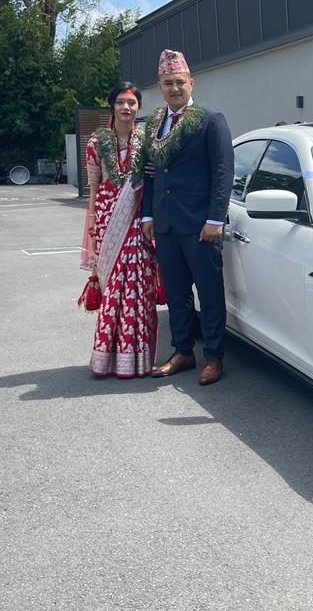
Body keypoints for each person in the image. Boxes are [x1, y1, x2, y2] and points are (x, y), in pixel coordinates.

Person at [142, 50, 235, 385]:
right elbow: (150, 172)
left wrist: (215, 219)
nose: (175, 88)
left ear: (191, 83)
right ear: (160, 86)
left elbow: (223, 171)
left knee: (209, 293)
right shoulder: (155, 123)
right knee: (176, 292)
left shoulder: (211, 119)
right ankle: (182, 350)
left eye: (180, 82)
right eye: (168, 83)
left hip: (200, 225)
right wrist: (147, 214)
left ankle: (213, 356)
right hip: (166, 223)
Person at [80, 82, 159, 378]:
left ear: (138, 107)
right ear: (112, 106)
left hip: (139, 220)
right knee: (113, 288)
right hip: (107, 219)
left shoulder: (148, 142)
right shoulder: (96, 142)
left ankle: (139, 360)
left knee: (139, 288)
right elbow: (94, 187)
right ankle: (107, 360)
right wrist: (94, 228)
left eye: (132, 103)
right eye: (120, 102)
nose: (126, 107)